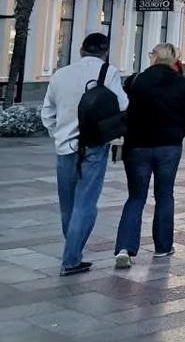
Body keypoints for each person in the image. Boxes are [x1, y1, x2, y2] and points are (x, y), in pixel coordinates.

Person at [40, 33, 128, 276]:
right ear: (105, 52)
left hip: (64, 148)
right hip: (94, 145)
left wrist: (58, 134)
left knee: (67, 205)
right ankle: (71, 259)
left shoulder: (60, 74)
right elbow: (122, 105)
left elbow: (47, 112)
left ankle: (74, 253)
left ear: (81, 49)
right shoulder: (108, 73)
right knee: (86, 203)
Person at [114, 43, 185, 268]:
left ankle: (125, 247)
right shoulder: (182, 83)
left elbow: (125, 111)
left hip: (137, 146)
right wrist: (178, 133)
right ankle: (162, 246)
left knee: (135, 196)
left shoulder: (136, 81)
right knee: (164, 194)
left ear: (153, 57)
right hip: (168, 146)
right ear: (174, 59)